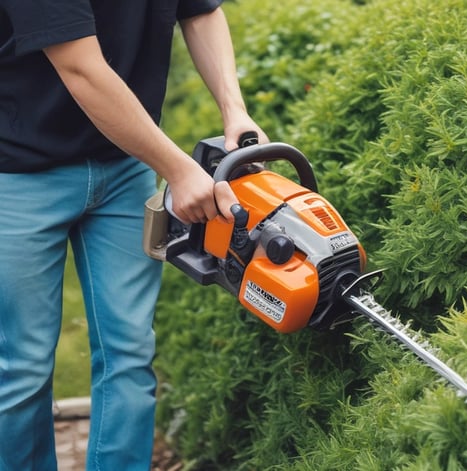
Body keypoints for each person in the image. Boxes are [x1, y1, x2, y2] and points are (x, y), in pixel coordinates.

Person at [0, 0, 268, 469]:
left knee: (130, 353)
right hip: (18, 172)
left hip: (125, 162)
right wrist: (179, 170)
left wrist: (235, 111)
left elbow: (201, 11)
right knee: (22, 368)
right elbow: (80, 67)